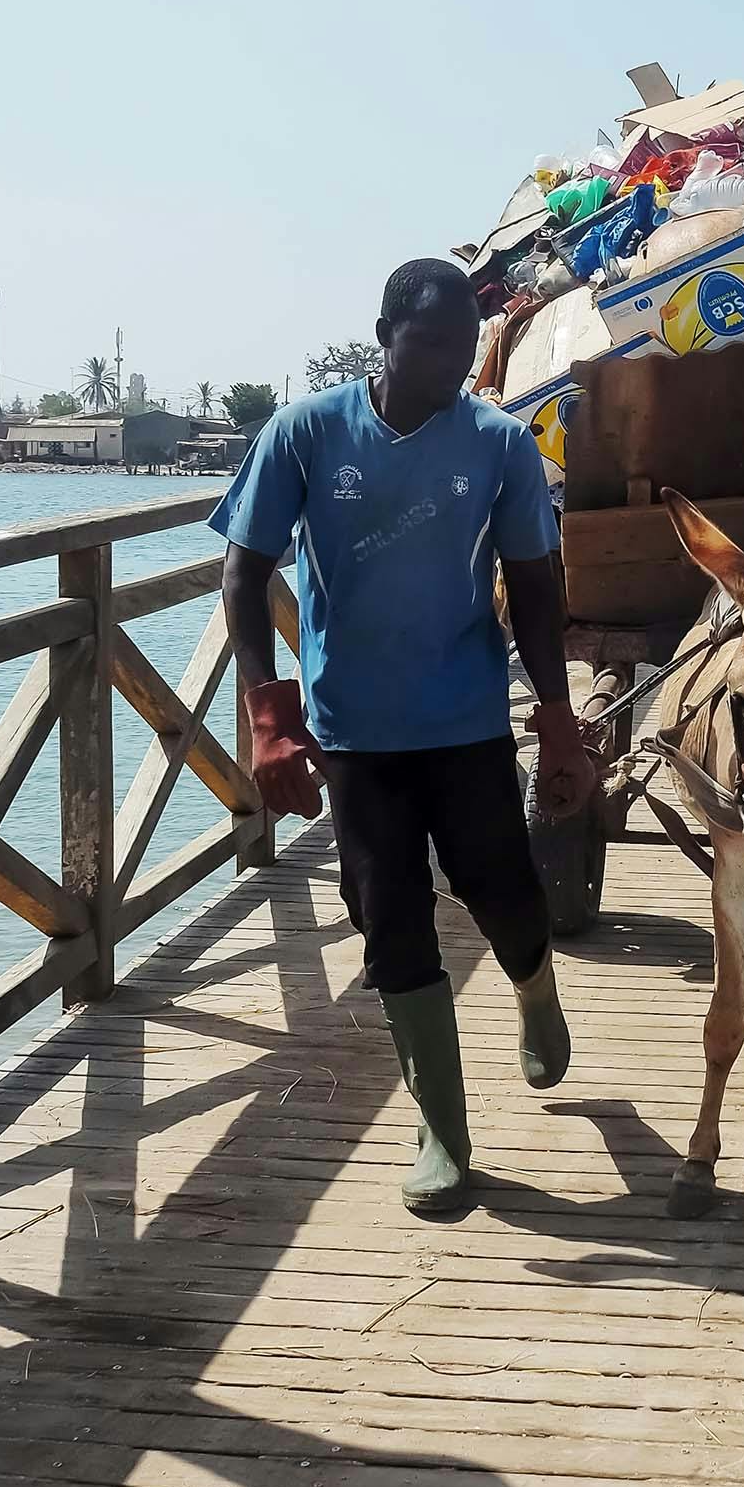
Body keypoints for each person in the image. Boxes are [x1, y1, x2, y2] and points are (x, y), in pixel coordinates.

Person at [215, 257, 597, 1214]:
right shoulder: (305, 434)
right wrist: (269, 719)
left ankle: (534, 987)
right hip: (354, 729)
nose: (446, 368)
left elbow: (539, 591)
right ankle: (443, 1132)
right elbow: (242, 574)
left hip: (465, 718)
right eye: (428, 345)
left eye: (464, 351)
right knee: (388, 917)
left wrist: (556, 723)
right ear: (383, 334)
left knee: (503, 892)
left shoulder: (500, 444)